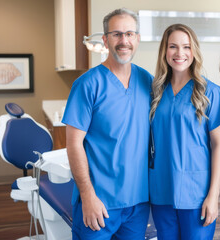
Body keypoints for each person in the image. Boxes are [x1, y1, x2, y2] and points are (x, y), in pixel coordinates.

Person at [62, 8, 153, 239]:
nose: (124, 41)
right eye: (117, 34)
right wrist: (88, 195)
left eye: (130, 34)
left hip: (139, 202)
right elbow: (74, 144)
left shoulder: (148, 82)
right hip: (99, 201)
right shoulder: (87, 84)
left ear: (137, 39)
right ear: (105, 39)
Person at [148, 24, 220, 240]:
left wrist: (214, 195)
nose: (180, 53)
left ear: (194, 51)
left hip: (196, 192)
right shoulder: (156, 92)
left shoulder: (210, 92)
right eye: (173, 46)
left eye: (186, 47)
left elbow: (219, 146)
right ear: (164, 51)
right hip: (161, 189)